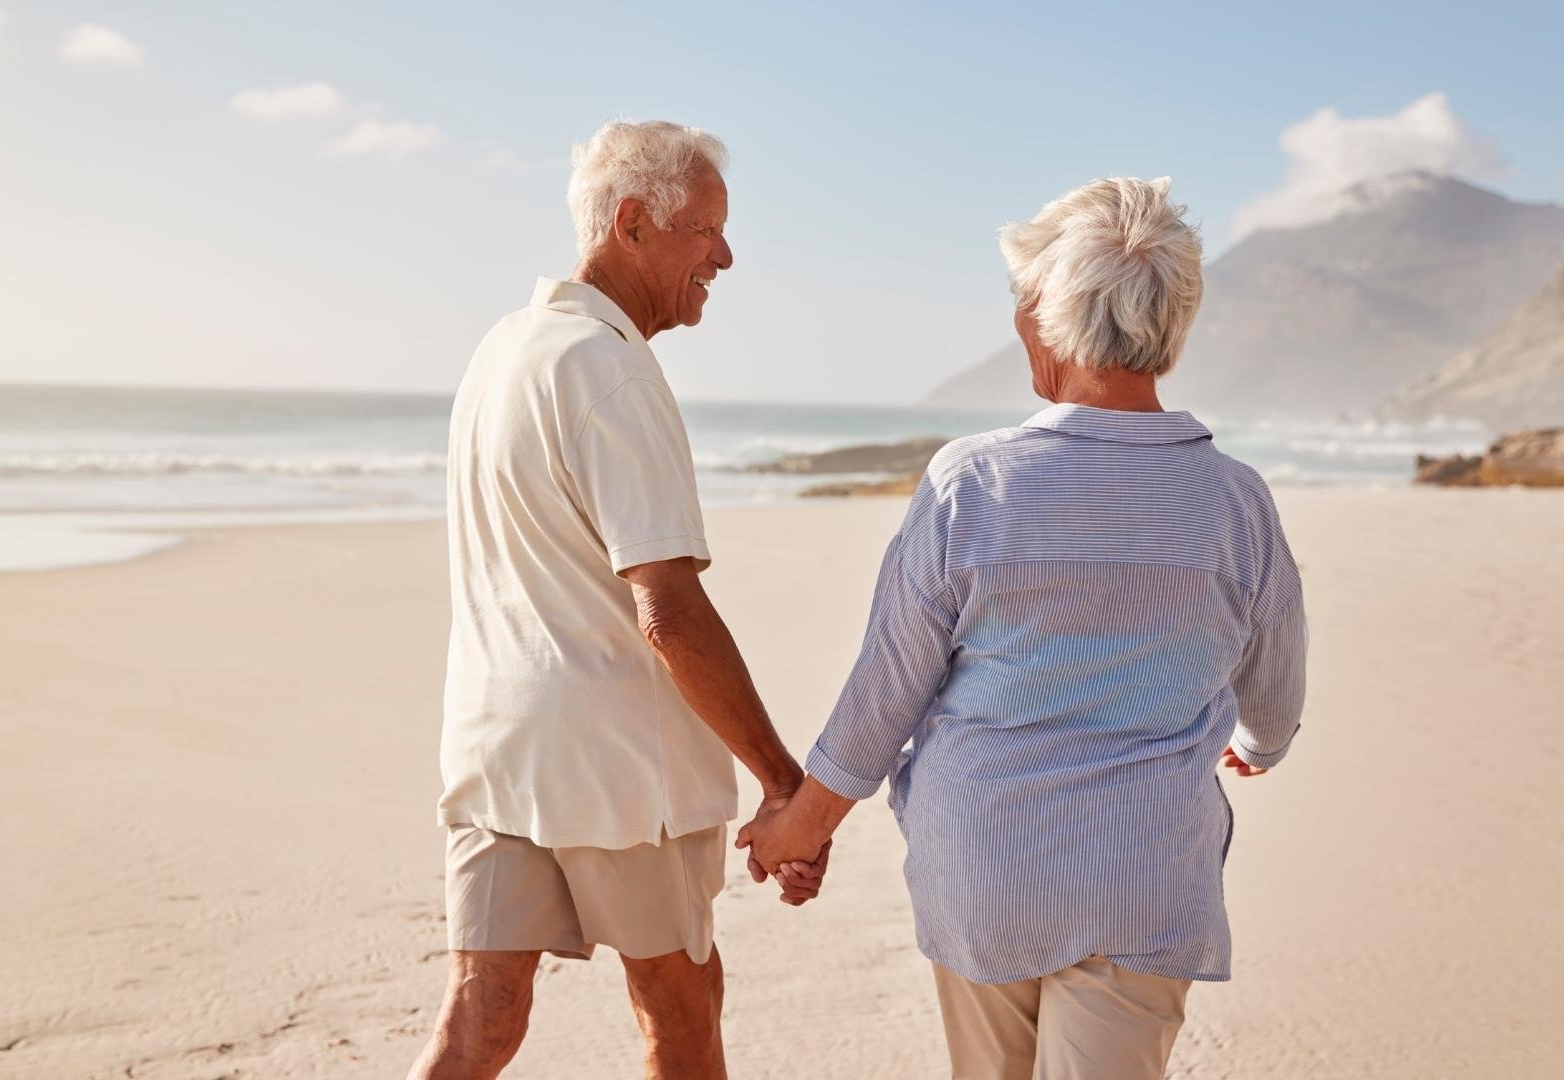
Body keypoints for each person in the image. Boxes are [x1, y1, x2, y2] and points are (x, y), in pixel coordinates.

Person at [739, 177, 1307, 1079]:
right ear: (1174, 323)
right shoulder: (1235, 502)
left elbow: (886, 692)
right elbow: (1274, 688)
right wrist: (1259, 745)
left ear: (1047, 317)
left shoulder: (972, 484)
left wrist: (801, 827)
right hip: (1146, 873)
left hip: (987, 864)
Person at [411, 120, 825, 1080]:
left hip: (495, 752)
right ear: (631, 223)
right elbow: (668, 611)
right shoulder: (609, 369)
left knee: (479, 1022)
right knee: (681, 1014)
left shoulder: (502, 350)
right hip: (619, 776)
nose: (724, 256)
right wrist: (780, 781)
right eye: (705, 230)